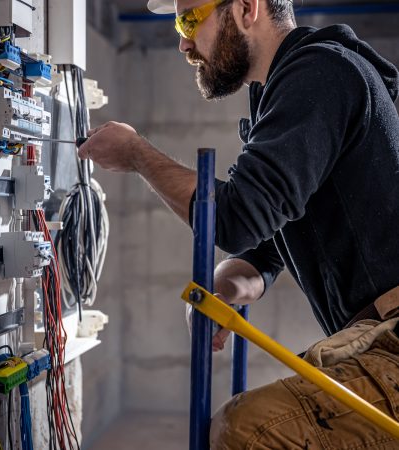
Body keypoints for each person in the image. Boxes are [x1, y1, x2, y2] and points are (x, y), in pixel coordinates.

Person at [79, 0, 399, 447]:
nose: (183, 42)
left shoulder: (320, 76)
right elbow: (268, 247)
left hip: (391, 345)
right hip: (376, 340)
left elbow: (235, 218)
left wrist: (137, 154)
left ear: (248, 8)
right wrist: (222, 288)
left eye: (189, 18)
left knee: (245, 430)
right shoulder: (288, 88)